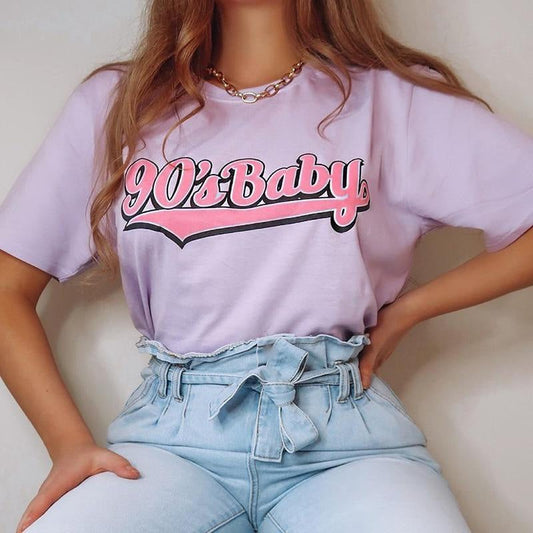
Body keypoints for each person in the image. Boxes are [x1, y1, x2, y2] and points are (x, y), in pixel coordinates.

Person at [1, 0, 532, 531]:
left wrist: (410, 310)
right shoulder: (123, 102)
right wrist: (68, 446)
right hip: (171, 443)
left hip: (344, 444)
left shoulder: (394, 98)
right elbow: (7, 288)